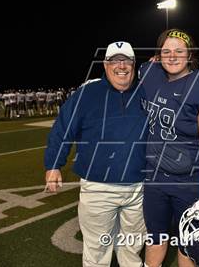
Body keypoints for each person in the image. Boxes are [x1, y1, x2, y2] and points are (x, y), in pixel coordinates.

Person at [44, 41, 148, 267]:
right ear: (105, 64)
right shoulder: (87, 93)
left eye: (126, 60)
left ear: (133, 63)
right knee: (97, 252)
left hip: (139, 187)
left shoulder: (146, 91)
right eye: (115, 61)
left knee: (132, 248)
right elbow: (63, 128)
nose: (121, 66)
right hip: (99, 187)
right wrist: (53, 165)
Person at [139, 29, 199, 267]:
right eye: (166, 51)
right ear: (158, 55)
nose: (172, 56)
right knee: (155, 236)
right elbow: (145, 68)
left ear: (190, 55)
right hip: (155, 178)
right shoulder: (150, 74)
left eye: (179, 51)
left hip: (188, 182)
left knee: (187, 243)